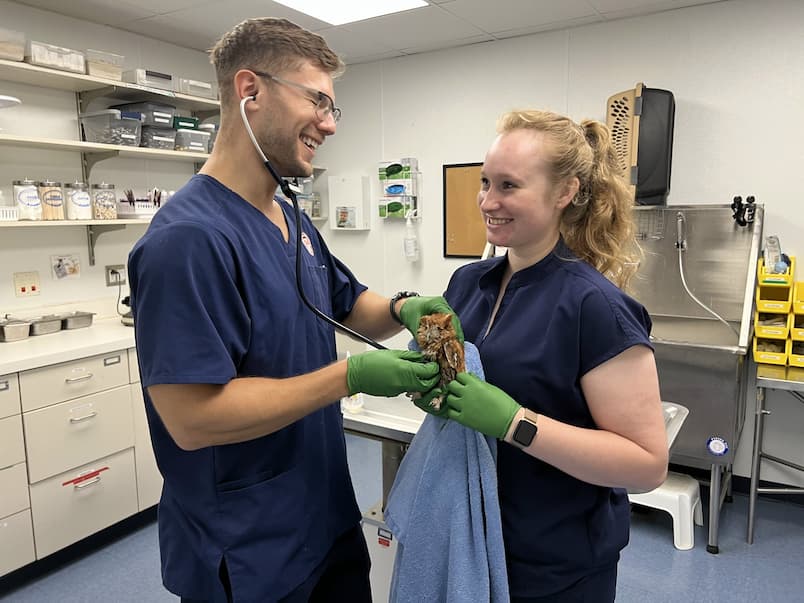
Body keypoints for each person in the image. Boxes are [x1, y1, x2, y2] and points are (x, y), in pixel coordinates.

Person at [127, 17, 459, 603]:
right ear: (250, 90)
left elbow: (350, 304)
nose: (329, 125)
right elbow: (193, 417)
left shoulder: (293, 220)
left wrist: (407, 307)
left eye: (334, 109)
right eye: (317, 102)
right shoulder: (188, 240)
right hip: (248, 545)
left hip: (324, 517)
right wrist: (349, 376)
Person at [432, 109, 669, 602]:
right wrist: (433, 386)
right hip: (471, 535)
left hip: (555, 563)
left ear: (564, 193)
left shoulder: (595, 307)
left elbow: (646, 465)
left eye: (509, 186)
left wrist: (516, 422)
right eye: (485, 183)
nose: (488, 201)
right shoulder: (467, 284)